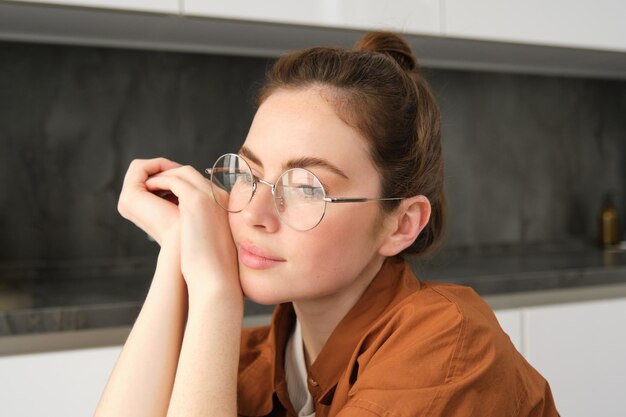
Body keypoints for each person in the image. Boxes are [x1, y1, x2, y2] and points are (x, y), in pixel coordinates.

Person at [94, 31, 559, 417]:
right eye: (250, 175)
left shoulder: (449, 347)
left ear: (401, 224)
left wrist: (215, 294)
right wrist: (177, 247)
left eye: (305, 187)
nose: (254, 215)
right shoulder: (256, 358)